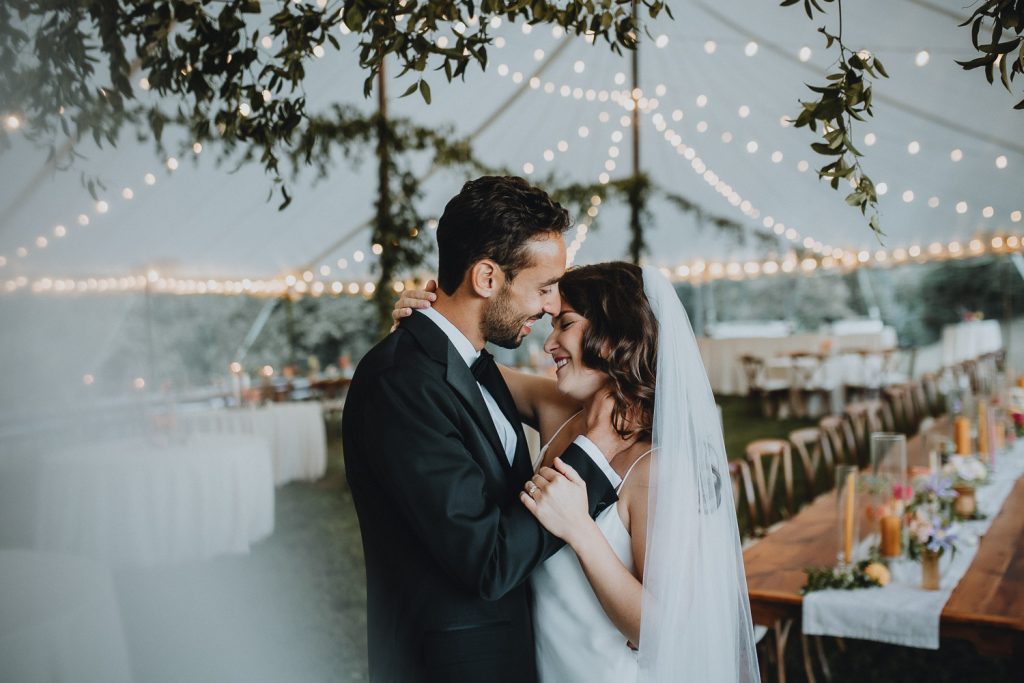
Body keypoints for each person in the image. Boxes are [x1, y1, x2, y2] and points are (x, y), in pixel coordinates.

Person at [394, 262, 760, 681]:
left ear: (614, 336)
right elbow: (460, 367)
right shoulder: (559, 413)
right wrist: (426, 322)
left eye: (564, 324)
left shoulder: (659, 467)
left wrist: (580, 529)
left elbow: (662, 631)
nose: (549, 344)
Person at [342, 176, 625, 683]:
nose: (551, 306)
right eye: (542, 288)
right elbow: (487, 560)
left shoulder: (470, 362)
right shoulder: (399, 381)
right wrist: (594, 456)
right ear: (487, 278)